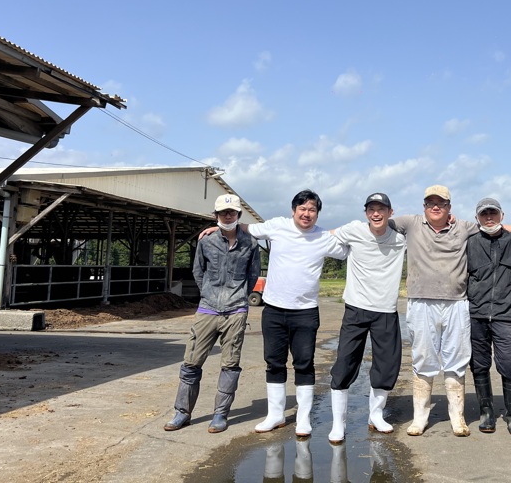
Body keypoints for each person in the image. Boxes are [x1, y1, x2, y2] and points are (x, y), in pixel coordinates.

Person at [248, 189, 348, 438]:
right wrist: (218, 227)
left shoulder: (323, 237)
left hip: (305, 312)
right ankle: (276, 415)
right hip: (273, 309)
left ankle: (303, 419)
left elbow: (350, 249)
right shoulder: (278, 226)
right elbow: (245, 228)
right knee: (274, 362)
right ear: (293, 211)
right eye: (302, 208)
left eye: (312, 209)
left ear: (317, 214)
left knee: (304, 364)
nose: (306, 213)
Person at [164, 194, 261, 433]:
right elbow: (198, 271)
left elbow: (253, 275)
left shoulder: (251, 244)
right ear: (216, 215)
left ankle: (220, 414)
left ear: (238, 215)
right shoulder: (206, 241)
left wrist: (239, 297)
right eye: (223, 212)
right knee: (191, 361)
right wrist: (208, 293)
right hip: (208, 308)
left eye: (232, 212)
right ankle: (182, 412)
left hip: (236, 310)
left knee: (230, 364)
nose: (227, 216)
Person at [391, 185, 478, 437]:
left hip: (456, 302)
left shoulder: (463, 227)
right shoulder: (411, 223)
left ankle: (457, 417)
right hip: (421, 302)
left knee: (457, 359)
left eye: (441, 203)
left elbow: (495, 227)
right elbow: (379, 221)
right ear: (424, 206)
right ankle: (420, 417)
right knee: (423, 358)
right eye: (431, 203)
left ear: (449, 206)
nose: (436, 207)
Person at [327, 193, 407, 444]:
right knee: (345, 363)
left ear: (390, 212)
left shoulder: (400, 239)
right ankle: (338, 422)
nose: (376, 213)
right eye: (371, 209)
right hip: (356, 307)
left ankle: (376, 415)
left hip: (386, 310)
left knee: (386, 364)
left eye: (381, 209)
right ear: (366, 213)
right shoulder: (354, 230)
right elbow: (323, 237)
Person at [466, 198, 511, 436]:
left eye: (493, 213)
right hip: (476, 314)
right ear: (477, 218)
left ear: (502, 216)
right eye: (484, 214)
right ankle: (486, 413)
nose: (489, 218)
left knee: (510, 365)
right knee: (479, 364)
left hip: (506, 315)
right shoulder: (470, 243)